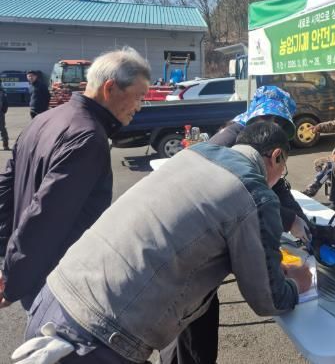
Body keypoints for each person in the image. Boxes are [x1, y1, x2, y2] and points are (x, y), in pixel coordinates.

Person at [17, 122, 312, 363]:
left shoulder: (194, 154)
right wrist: (297, 283)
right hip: (97, 339)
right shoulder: (255, 193)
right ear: (277, 157)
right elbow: (269, 299)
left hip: (54, 299)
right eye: (283, 170)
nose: (279, 178)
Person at [159, 85, 311, 364]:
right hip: (186, 263)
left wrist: (299, 218)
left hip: (185, 256)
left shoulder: (255, 143)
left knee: (193, 333)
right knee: (189, 342)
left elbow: (277, 188)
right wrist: (291, 281)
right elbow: (250, 197)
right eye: (273, 120)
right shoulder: (230, 140)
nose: (275, 127)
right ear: (260, 117)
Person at [0, 48, 151, 310]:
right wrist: (14, 280)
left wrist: (7, 258)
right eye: (138, 97)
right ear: (110, 88)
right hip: (57, 280)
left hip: (34, 269)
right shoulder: (88, 137)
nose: (139, 107)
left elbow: (5, 189)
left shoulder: (44, 119)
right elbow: (46, 215)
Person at [0, 83, 8, 150]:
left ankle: (5, 145)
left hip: (0, 113)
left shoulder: (2, 92)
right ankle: (5, 145)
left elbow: (5, 103)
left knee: (2, 129)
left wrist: (3, 111)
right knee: (3, 129)